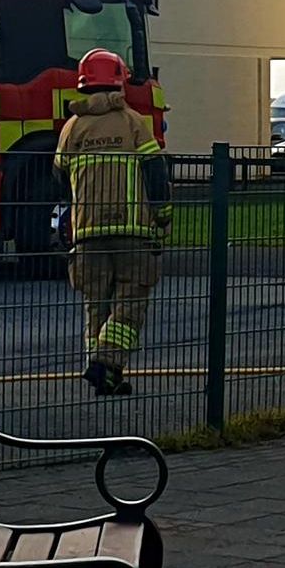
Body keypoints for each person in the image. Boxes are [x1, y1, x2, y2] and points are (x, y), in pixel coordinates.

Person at [53, 48, 172, 396]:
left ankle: (105, 377)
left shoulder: (71, 128)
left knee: (96, 305)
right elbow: (155, 172)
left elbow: (57, 180)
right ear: (120, 80)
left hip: (87, 234)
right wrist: (162, 216)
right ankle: (104, 363)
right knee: (131, 301)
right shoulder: (133, 122)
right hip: (132, 231)